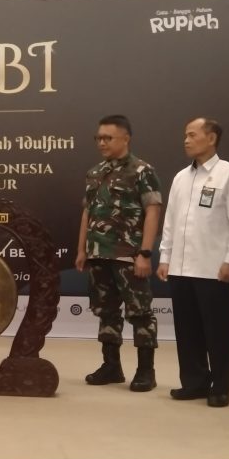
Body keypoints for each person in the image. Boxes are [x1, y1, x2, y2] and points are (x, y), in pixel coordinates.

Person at [156, 118, 229, 408]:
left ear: (211, 138)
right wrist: (165, 257)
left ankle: (221, 386)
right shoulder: (180, 178)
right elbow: (170, 222)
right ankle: (194, 382)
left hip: (214, 268)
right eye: (185, 135)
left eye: (192, 134)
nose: (186, 140)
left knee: (218, 331)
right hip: (181, 267)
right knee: (187, 330)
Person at [75, 114, 162, 393]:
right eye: (98, 138)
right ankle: (111, 366)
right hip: (99, 252)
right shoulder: (94, 172)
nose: (101, 143)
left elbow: (152, 211)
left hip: (128, 253)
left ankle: (146, 371)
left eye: (107, 138)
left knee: (140, 312)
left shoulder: (142, 171)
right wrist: (81, 249)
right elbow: (87, 212)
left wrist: (145, 252)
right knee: (106, 311)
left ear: (125, 138)